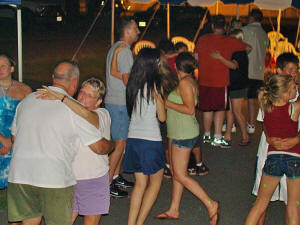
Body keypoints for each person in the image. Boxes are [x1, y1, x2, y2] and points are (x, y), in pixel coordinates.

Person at [7, 60, 111, 225]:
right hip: (53, 178)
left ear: (53, 77)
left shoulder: (26, 102)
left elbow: (14, 138)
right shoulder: (73, 110)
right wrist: (112, 146)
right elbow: (100, 147)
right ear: (75, 81)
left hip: (21, 175)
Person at [155, 52, 219, 225]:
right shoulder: (185, 81)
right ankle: (174, 209)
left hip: (184, 133)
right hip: (177, 131)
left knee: (181, 175)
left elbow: (190, 109)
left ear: (177, 66)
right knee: (177, 173)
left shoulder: (185, 83)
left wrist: (166, 103)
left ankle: (210, 204)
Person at [37, 77, 111, 225]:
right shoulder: (70, 112)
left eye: (90, 96)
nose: (83, 97)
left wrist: (62, 97)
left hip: (93, 178)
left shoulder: (102, 114)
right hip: (69, 179)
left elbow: (87, 115)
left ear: (98, 102)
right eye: (82, 92)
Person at [123, 47, 172, 225]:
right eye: (158, 61)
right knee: (155, 183)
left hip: (133, 139)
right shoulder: (155, 86)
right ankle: (140, 222)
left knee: (140, 184)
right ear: (153, 64)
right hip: (150, 141)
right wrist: (160, 98)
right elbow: (162, 117)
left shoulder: (133, 84)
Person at [245, 74, 300, 225]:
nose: (297, 90)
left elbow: (267, 129)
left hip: (273, 158)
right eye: (294, 88)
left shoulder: (265, 108)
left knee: (261, 202)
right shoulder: (293, 108)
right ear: (285, 94)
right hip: (295, 159)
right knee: (294, 205)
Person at [195, 14, 251, 148]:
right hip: (221, 81)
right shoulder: (230, 41)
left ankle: (207, 135)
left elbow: (196, 56)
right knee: (220, 109)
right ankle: (218, 137)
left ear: (212, 26)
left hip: (204, 80)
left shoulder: (202, 39)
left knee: (207, 109)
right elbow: (248, 48)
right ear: (225, 27)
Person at [105, 17, 140, 198]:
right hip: (119, 103)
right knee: (119, 144)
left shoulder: (116, 47)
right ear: (127, 31)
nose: (138, 32)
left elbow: (114, 73)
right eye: (135, 29)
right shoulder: (125, 51)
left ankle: (116, 176)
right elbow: (127, 80)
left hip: (116, 102)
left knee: (121, 142)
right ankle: (107, 184)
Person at [0, 53, 31, 225]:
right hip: (2, 141)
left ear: (12, 69)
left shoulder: (24, 90)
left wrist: (12, 141)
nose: (0, 69)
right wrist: (2, 140)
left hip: (16, 143)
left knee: (16, 188)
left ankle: (15, 221)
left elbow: (29, 118)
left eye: (3, 66)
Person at [211, 29, 250, 146]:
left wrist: (220, 58)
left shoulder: (239, 52)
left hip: (238, 85)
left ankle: (245, 136)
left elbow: (233, 66)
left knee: (237, 111)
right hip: (233, 84)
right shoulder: (238, 50)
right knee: (230, 110)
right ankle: (228, 134)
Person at [242, 8, 269, 134]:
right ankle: (252, 124)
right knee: (253, 99)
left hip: (245, 69)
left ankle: (236, 124)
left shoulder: (245, 30)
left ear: (251, 17)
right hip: (258, 71)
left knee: (238, 98)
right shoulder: (264, 34)